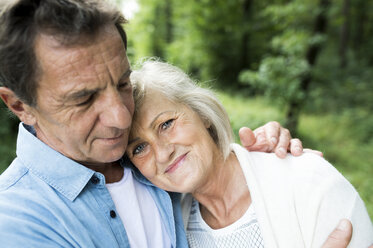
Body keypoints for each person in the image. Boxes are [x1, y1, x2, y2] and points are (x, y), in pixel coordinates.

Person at [0, 0, 326, 247]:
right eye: (84, 100)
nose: (122, 118)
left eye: (123, 83)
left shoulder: (155, 173)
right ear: (19, 105)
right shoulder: (16, 221)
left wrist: (270, 163)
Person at [126, 60, 373, 247]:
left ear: (202, 114)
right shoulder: (169, 231)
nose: (161, 153)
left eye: (166, 124)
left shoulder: (309, 182)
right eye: (139, 148)